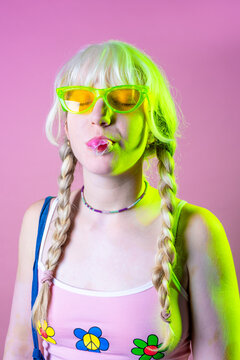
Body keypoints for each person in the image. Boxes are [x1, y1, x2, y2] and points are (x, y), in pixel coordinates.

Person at [3, 40, 240, 360]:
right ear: (67, 123)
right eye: (81, 99)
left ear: (153, 123)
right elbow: (17, 346)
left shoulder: (195, 231)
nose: (99, 116)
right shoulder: (39, 223)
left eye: (124, 98)